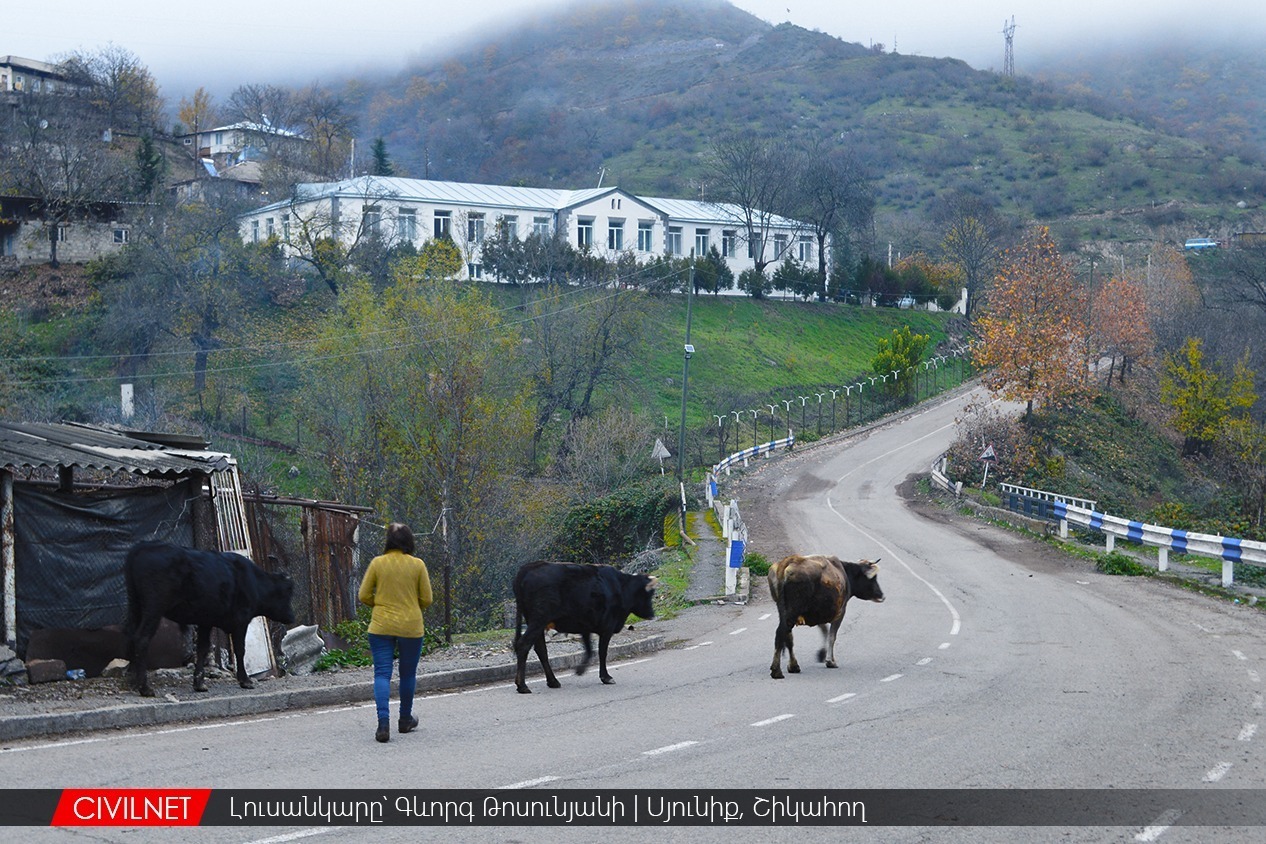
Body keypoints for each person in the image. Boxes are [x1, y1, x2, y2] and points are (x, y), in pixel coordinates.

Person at [357, 522, 433, 743]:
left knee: (382, 673)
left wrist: (379, 604)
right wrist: (410, 605)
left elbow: (363, 595)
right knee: (407, 674)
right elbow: (427, 599)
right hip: (411, 626)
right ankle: (404, 720)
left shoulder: (377, 563)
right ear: (409, 541)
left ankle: (383, 724)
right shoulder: (418, 565)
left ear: (388, 541)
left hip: (381, 625)